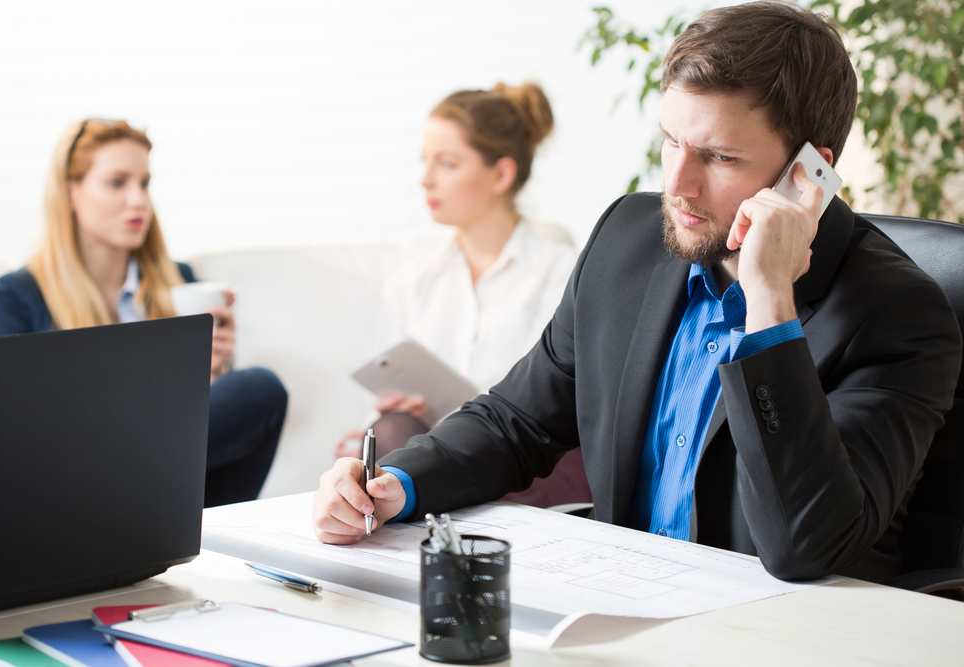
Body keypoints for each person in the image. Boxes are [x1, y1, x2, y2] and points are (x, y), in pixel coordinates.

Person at [312, 1, 962, 585]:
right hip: (623, 608)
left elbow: (804, 547)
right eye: (670, 142)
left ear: (807, 174)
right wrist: (395, 483)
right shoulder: (628, 241)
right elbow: (518, 420)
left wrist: (769, 303)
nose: (676, 183)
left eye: (718, 156)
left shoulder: (897, 315)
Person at [0, 119, 288, 507]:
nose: (138, 200)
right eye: (117, 182)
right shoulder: (21, 294)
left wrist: (210, 371)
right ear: (71, 191)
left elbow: (203, 430)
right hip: (69, 482)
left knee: (259, 390)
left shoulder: (179, 284)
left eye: (144, 184)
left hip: (166, 487)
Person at [338, 83, 590, 508]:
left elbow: (554, 407)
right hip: (425, 459)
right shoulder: (413, 281)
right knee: (392, 430)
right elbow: (379, 416)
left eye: (447, 163)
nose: (426, 178)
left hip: (522, 467)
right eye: (425, 161)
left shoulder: (561, 273)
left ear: (501, 175)